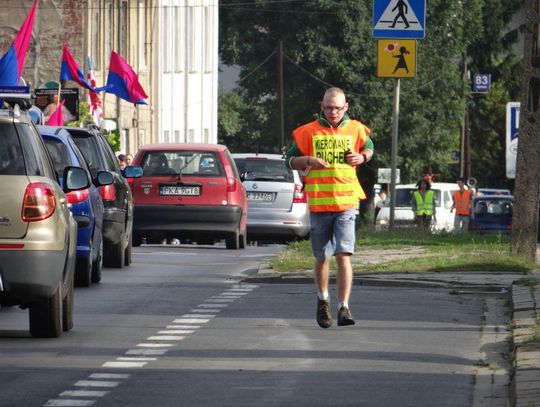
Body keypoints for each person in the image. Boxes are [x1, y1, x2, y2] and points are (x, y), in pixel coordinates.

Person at [286, 87, 374, 329]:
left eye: (337, 107)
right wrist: (307, 161)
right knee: (322, 256)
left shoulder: (356, 128)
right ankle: (323, 299)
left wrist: (362, 157)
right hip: (319, 204)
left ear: (346, 107)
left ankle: (343, 307)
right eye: (328, 107)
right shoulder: (308, 132)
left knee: (344, 255)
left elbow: (370, 147)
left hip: (346, 203)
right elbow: (289, 160)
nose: (333, 112)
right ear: (321, 107)